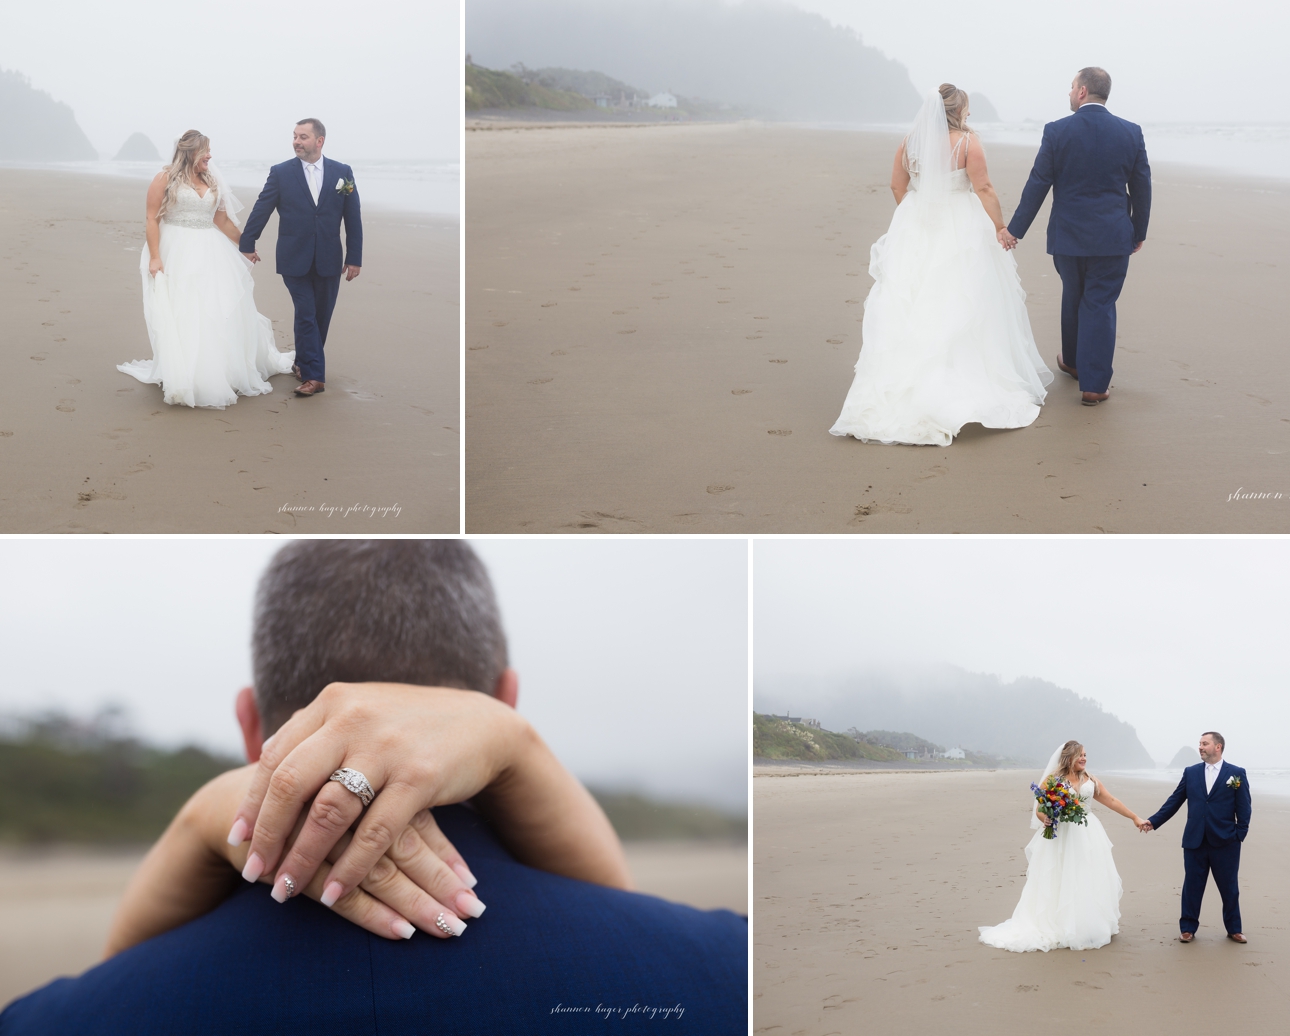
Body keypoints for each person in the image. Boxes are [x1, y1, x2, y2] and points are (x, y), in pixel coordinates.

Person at [0, 540, 747, 1035]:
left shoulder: (46, 1021)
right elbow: (625, 917)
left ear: (251, 728)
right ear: (506, 700)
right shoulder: (730, 971)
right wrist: (520, 749)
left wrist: (201, 820)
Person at [830, 84, 1052, 446]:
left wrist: (915, 214)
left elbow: (896, 186)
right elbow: (984, 189)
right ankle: (956, 385)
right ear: (958, 110)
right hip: (961, 225)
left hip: (917, 223)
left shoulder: (910, 143)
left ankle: (903, 387)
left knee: (910, 299)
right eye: (967, 109)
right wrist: (1000, 227)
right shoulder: (968, 143)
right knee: (960, 298)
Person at [1000, 67, 1152, 405]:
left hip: (1068, 237)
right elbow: (1141, 186)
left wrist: (1015, 230)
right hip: (1113, 236)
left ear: (1082, 91)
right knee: (1099, 301)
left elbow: (1038, 183)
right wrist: (1138, 231)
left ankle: (1072, 362)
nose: (1068, 93)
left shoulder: (1057, 131)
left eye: (1071, 87)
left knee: (1074, 293)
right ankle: (1093, 383)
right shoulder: (1131, 132)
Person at [116, 130, 296, 407]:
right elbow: (152, 218)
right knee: (184, 309)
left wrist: (245, 245)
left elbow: (222, 221)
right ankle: (185, 373)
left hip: (211, 251)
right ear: (190, 151)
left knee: (215, 308)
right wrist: (154, 257)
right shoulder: (164, 178)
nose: (210, 156)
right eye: (205, 151)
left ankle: (218, 369)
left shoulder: (210, 179)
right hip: (176, 248)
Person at [977, 740, 1150, 952]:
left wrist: (1134, 817)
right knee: (1058, 875)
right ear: (1068, 757)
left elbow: (1111, 800)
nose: (1084, 758)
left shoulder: (1091, 780)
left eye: (1085, 754)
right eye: (1080, 755)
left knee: (1086, 875)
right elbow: (1040, 809)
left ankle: (1086, 925)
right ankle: (1059, 924)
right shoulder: (1053, 780)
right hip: (1061, 834)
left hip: (1087, 833)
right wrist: (1046, 819)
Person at [238, 119, 362, 398]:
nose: (296, 141)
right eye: (294, 136)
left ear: (319, 141)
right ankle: (314, 376)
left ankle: (302, 361)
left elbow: (352, 217)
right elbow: (262, 208)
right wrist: (247, 243)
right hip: (294, 257)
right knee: (306, 313)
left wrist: (355, 257)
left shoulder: (343, 173)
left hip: (330, 258)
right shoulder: (281, 173)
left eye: (303, 137)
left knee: (321, 316)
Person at [1142, 731, 1252, 943]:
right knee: (1192, 886)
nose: (1200, 747)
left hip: (1226, 841)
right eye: (1200, 744)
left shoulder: (1236, 773)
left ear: (1218, 747)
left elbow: (1244, 808)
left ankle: (1234, 929)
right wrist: (1154, 821)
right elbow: (1175, 800)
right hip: (1195, 840)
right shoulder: (1191, 772)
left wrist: (1239, 835)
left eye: (1205, 743)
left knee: (1229, 888)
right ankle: (1188, 929)